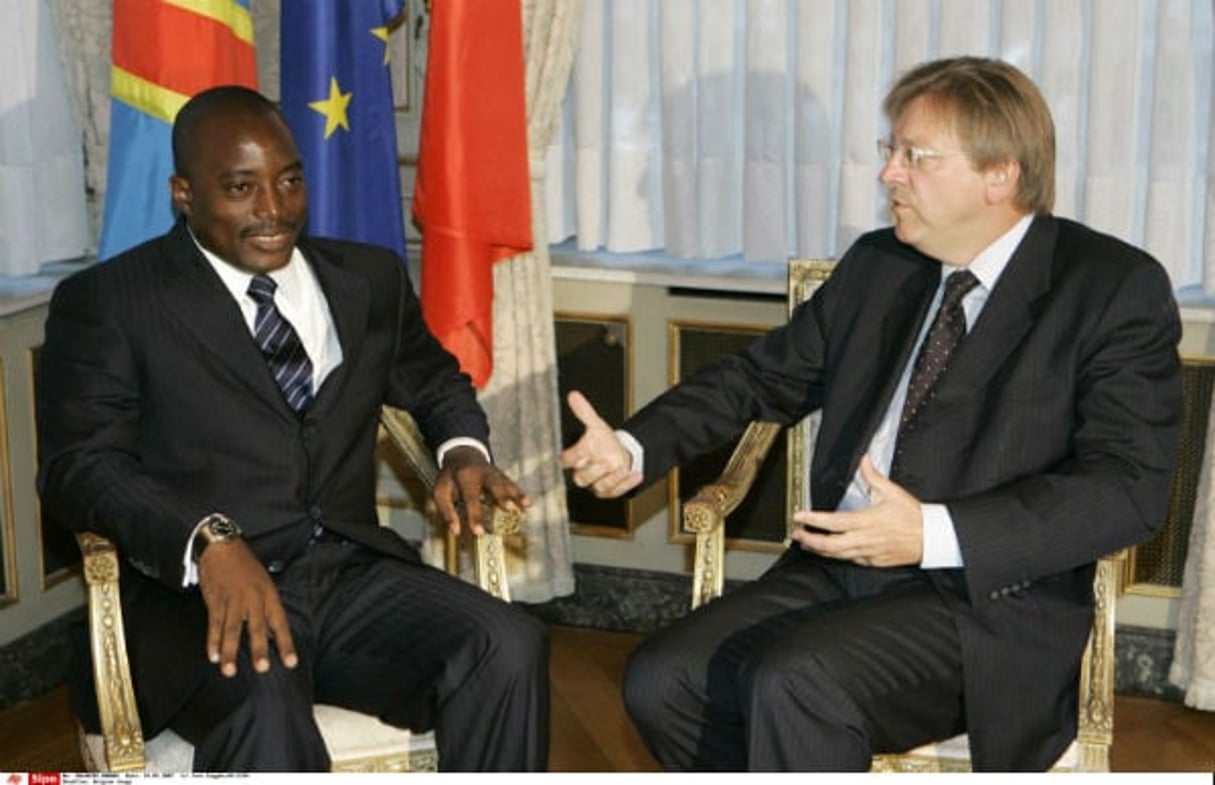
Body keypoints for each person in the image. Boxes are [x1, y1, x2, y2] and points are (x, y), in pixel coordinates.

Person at [560, 56, 1183, 772]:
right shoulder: (879, 264)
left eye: (914, 156)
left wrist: (929, 532)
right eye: (890, 151)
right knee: (661, 678)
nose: (888, 174)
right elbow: (759, 378)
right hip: (835, 568)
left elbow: (1126, 489)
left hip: (982, 604)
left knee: (794, 679)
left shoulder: (1109, 287)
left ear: (999, 174)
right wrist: (638, 445)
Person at [37, 85, 549, 772]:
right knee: (265, 703)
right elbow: (80, 467)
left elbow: (432, 379)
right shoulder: (113, 302)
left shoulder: (367, 277)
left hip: (348, 575)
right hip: (196, 602)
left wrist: (461, 448)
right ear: (183, 192)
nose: (273, 210)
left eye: (287, 181)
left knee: (507, 643)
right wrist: (206, 539)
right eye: (240, 188)